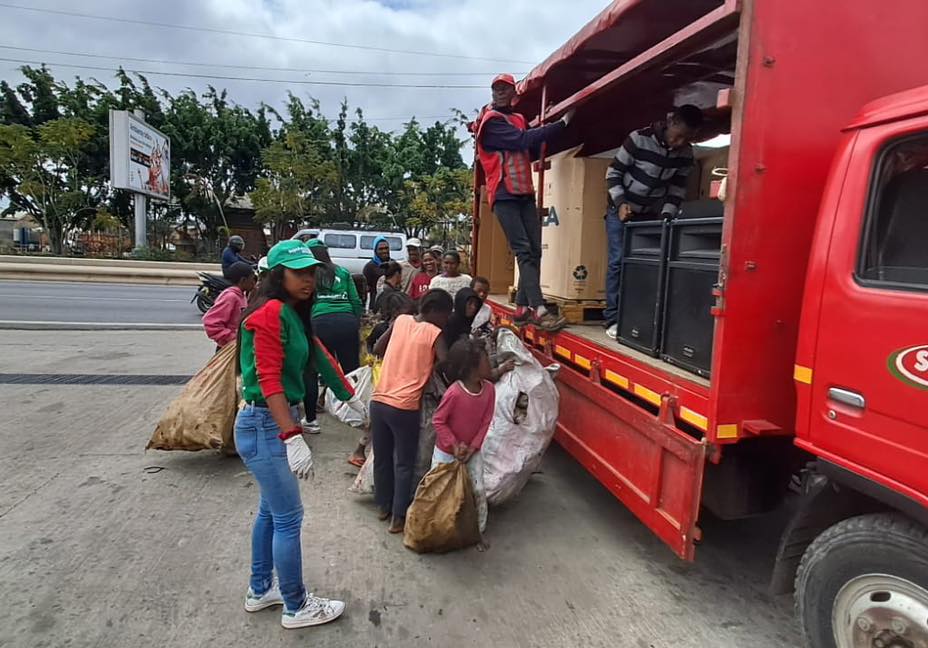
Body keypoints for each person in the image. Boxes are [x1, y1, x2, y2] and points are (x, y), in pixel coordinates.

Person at [234, 239, 359, 630]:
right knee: (289, 517)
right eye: (299, 273)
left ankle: (260, 589)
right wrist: (291, 435)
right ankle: (296, 605)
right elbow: (268, 380)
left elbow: (318, 354)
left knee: (271, 511)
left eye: (311, 272)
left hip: (269, 421)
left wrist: (351, 398)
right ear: (278, 275)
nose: (308, 280)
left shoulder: (291, 312)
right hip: (264, 423)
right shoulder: (270, 313)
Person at [473, 73, 574, 331]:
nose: (499, 92)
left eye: (504, 88)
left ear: (513, 93)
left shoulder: (517, 119)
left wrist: (547, 120)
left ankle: (521, 308)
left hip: (524, 192)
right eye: (496, 88)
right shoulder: (491, 122)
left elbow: (532, 140)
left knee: (535, 250)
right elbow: (523, 140)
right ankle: (538, 309)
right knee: (524, 250)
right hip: (503, 193)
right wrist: (561, 124)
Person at [603, 105, 703, 339]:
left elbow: (677, 189)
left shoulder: (685, 154)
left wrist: (667, 215)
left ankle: (639, 318)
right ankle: (613, 319)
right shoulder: (639, 139)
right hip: (620, 210)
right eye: (678, 135)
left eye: (687, 138)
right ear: (671, 122)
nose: (680, 142)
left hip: (649, 215)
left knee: (646, 265)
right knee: (618, 261)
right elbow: (613, 173)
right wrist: (621, 203)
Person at [369, 289, 452, 534]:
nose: (447, 320)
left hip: (379, 401)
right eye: (446, 315)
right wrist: (428, 364)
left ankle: (383, 507)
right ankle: (398, 517)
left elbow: (378, 348)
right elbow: (447, 363)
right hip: (405, 407)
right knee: (404, 463)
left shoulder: (401, 321)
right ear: (434, 311)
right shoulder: (434, 333)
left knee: (382, 458)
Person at [431, 338, 495, 535]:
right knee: (440, 492)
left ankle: (477, 532)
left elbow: (486, 421)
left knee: (478, 490)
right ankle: (438, 530)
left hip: (472, 451)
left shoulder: (489, 390)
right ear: (472, 368)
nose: (490, 363)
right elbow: (438, 420)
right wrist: (454, 445)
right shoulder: (454, 393)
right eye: (486, 360)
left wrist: (473, 447)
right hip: (446, 452)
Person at [300, 239, 363, 434]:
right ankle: (359, 413)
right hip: (346, 322)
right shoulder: (342, 272)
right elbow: (355, 300)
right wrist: (355, 323)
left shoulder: (309, 274)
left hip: (320, 324)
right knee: (352, 370)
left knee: (314, 369)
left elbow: (305, 302)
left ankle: (312, 417)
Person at [202, 261, 256, 349]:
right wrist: (232, 338)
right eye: (252, 279)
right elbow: (210, 323)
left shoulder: (242, 295)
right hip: (228, 347)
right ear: (243, 280)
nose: (254, 283)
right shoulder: (231, 296)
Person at [362, 236, 391, 311]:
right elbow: (365, 290)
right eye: (381, 249)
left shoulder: (393, 264)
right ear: (375, 250)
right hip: (375, 306)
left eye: (386, 248)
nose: (384, 251)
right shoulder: (369, 267)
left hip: (391, 305)